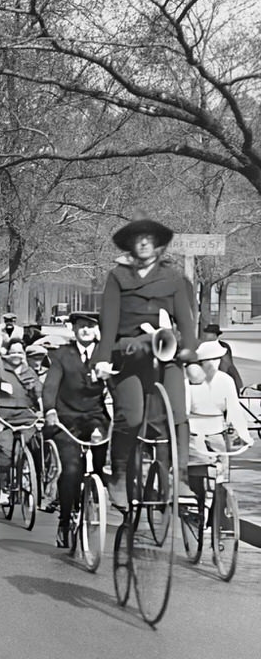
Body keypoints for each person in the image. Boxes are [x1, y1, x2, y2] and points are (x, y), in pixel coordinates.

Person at [91, 218, 197, 511]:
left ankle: (181, 477)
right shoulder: (117, 277)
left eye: (150, 239)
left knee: (177, 414)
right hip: (129, 352)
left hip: (166, 351)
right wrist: (102, 360)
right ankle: (120, 474)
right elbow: (108, 322)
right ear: (131, 246)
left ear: (158, 245)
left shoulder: (174, 279)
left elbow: (186, 321)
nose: (144, 243)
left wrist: (191, 354)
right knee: (132, 416)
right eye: (138, 239)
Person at [42, 311, 109, 544]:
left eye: (90, 326)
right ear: (74, 329)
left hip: (95, 418)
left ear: (97, 329)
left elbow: (119, 384)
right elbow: (50, 385)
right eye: (81, 326)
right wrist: (50, 409)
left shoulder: (105, 353)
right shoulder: (62, 355)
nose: (86, 330)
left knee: (100, 463)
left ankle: (95, 493)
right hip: (66, 419)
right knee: (70, 470)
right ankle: (65, 518)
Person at [185, 340, 253, 517]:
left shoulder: (226, 381)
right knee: (196, 474)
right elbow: (183, 412)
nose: (214, 363)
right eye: (210, 360)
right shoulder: (189, 381)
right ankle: (197, 508)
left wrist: (244, 434)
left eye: (217, 359)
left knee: (220, 477)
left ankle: (217, 513)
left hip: (217, 434)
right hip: (194, 433)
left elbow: (234, 411)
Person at [0, 337, 42, 508]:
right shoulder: (1, 371)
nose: (16, 356)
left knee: (35, 443)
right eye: (13, 352)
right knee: (6, 450)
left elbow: (39, 394)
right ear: (7, 354)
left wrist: (41, 409)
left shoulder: (29, 372)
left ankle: (30, 479)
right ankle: (4, 488)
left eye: (20, 352)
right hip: (4, 416)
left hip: (25, 414)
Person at [200, 324, 242, 392]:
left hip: (219, 374)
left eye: (208, 333)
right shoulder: (203, 345)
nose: (206, 335)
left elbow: (228, 364)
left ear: (214, 334)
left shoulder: (223, 346)